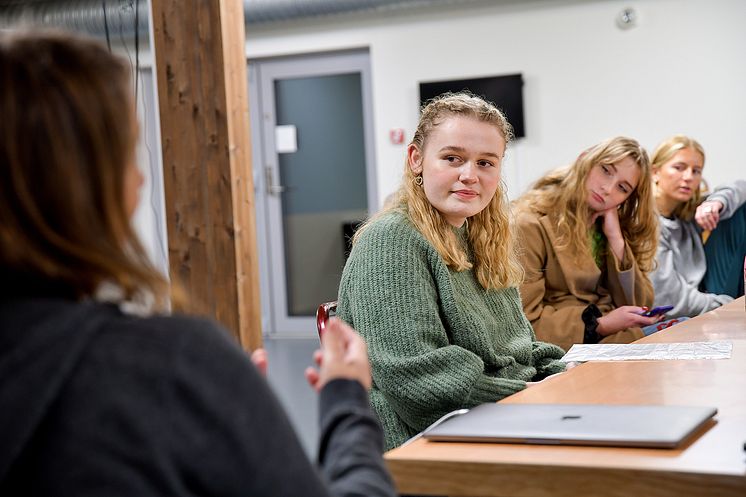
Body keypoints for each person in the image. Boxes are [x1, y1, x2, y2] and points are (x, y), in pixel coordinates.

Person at [0, 30, 395, 497]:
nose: (143, 176)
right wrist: (346, 399)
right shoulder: (168, 366)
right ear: (91, 185)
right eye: (130, 152)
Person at [336, 92, 567, 451]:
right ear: (416, 159)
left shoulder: (481, 236)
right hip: (426, 440)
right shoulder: (392, 241)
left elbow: (519, 349)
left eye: (486, 163)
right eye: (452, 158)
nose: (469, 175)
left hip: (498, 413)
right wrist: (531, 395)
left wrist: (564, 378)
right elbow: (420, 383)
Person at [513, 137, 671, 352]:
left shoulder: (608, 224)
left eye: (622, 188)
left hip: (616, 337)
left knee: (688, 331)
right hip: (572, 344)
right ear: (584, 159)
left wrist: (616, 239)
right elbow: (523, 321)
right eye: (605, 170)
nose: (608, 189)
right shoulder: (528, 223)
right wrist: (600, 325)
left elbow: (640, 303)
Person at [648, 135, 746, 317]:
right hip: (683, 307)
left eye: (696, 171)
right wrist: (729, 305)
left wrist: (716, 202)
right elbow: (669, 301)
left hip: (706, 294)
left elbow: (741, 187)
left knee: (739, 207)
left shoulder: (686, 212)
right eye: (679, 168)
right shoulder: (646, 223)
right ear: (655, 172)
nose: (688, 177)